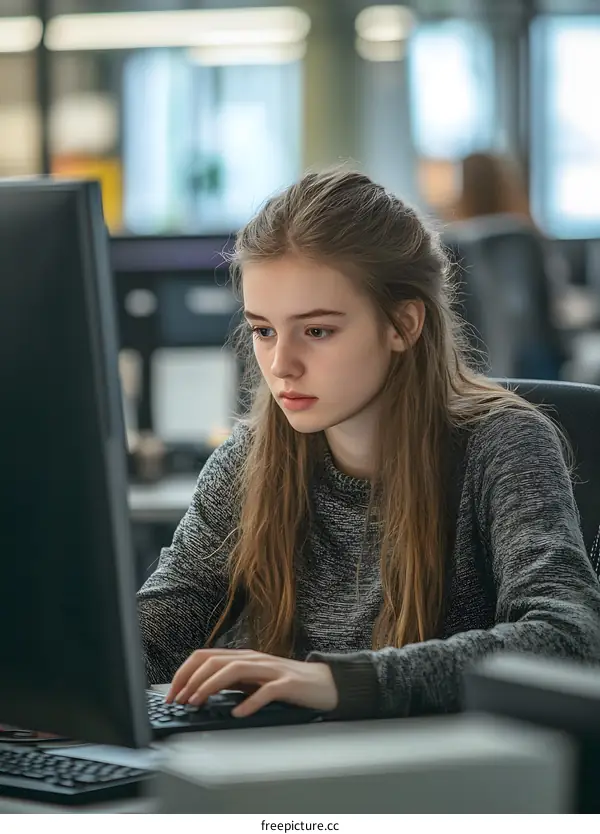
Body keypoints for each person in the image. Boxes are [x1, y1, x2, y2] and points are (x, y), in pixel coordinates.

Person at [137, 168, 600, 720]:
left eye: (317, 331)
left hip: (425, 782)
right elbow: (164, 626)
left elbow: (568, 637)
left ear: (402, 325)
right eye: (264, 330)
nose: (281, 364)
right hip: (266, 767)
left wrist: (342, 682)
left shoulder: (501, 445)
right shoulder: (250, 457)